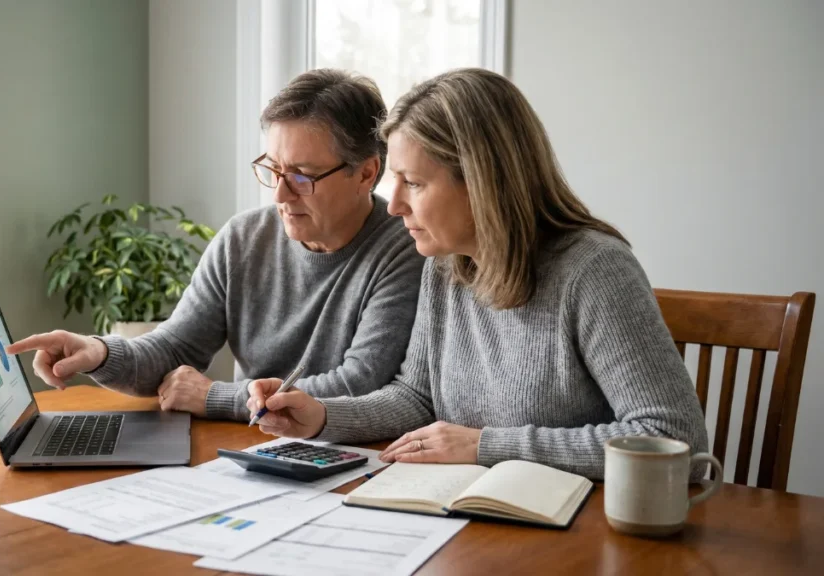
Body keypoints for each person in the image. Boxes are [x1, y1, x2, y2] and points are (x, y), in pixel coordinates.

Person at [245, 68, 709, 479]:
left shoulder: (595, 271)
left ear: (482, 182)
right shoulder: (445, 267)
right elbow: (417, 397)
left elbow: (673, 438)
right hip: (472, 513)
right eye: (396, 181)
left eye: (415, 183)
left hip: (575, 530)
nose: (398, 204)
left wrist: (486, 446)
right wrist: (322, 417)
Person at [7, 69, 425, 422]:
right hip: (253, 452)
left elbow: (358, 382)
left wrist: (213, 397)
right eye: (273, 169)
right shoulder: (243, 239)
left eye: (302, 175)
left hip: (352, 461)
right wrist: (98, 352)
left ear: (367, 173)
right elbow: (175, 348)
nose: (280, 195)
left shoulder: (405, 248)